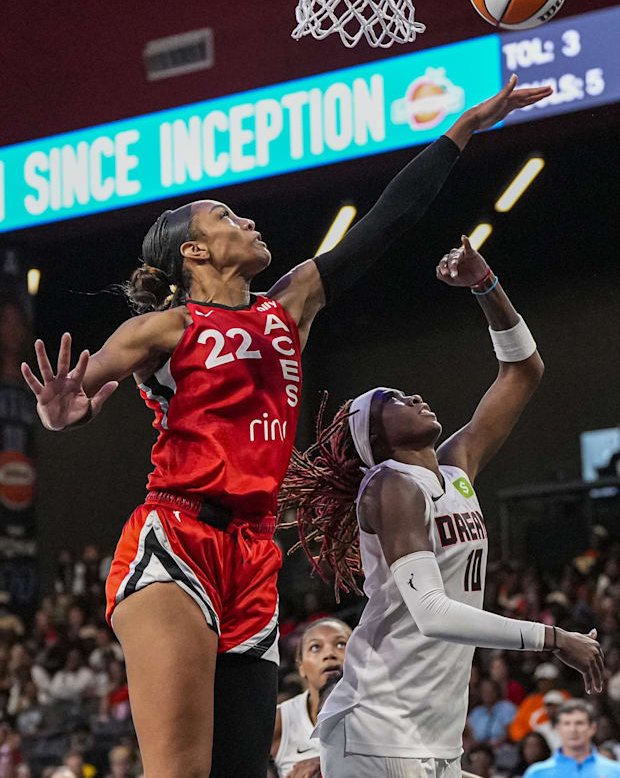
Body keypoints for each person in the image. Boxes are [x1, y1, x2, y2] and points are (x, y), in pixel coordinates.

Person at [21, 76, 552, 778]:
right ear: (194, 252)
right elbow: (70, 399)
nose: (247, 221)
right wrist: (58, 413)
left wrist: (464, 129)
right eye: (227, 217)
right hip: (177, 538)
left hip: (254, 554)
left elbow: (385, 223)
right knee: (179, 769)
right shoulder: (165, 326)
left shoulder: (290, 304)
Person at [280, 238, 604, 777]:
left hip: (431, 731)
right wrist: (553, 639)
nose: (415, 397)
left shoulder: (455, 467)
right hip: (377, 728)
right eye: (395, 401)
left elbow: (523, 371)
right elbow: (430, 613)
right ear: (375, 439)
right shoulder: (389, 483)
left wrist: (486, 286)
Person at [271, 618, 351, 777]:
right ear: (300, 666)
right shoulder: (279, 722)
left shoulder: (382, 712)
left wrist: (326, 762)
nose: (329, 654)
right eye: (315, 647)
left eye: (341, 644)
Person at [523, 700, 620, 778]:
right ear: (558, 728)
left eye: (579, 723)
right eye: (567, 724)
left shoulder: (615, 771)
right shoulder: (536, 773)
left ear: (592, 728)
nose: (573, 730)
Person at [510, 664, 570, 743]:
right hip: (534, 742)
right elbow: (516, 726)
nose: (543, 684)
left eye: (547, 680)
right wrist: (526, 740)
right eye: (541, 681)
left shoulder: (564, 696)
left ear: (555, 681)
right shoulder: (530, 701)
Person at [468, 678, 517, 746]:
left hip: (502, 747)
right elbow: (471, 734)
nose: (487, 694)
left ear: (497, 691)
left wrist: (495, 744)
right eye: (484, 691)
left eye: (490, 690)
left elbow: (509, 732)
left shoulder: (507, 708)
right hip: (479, 748)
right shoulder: (476, 712)